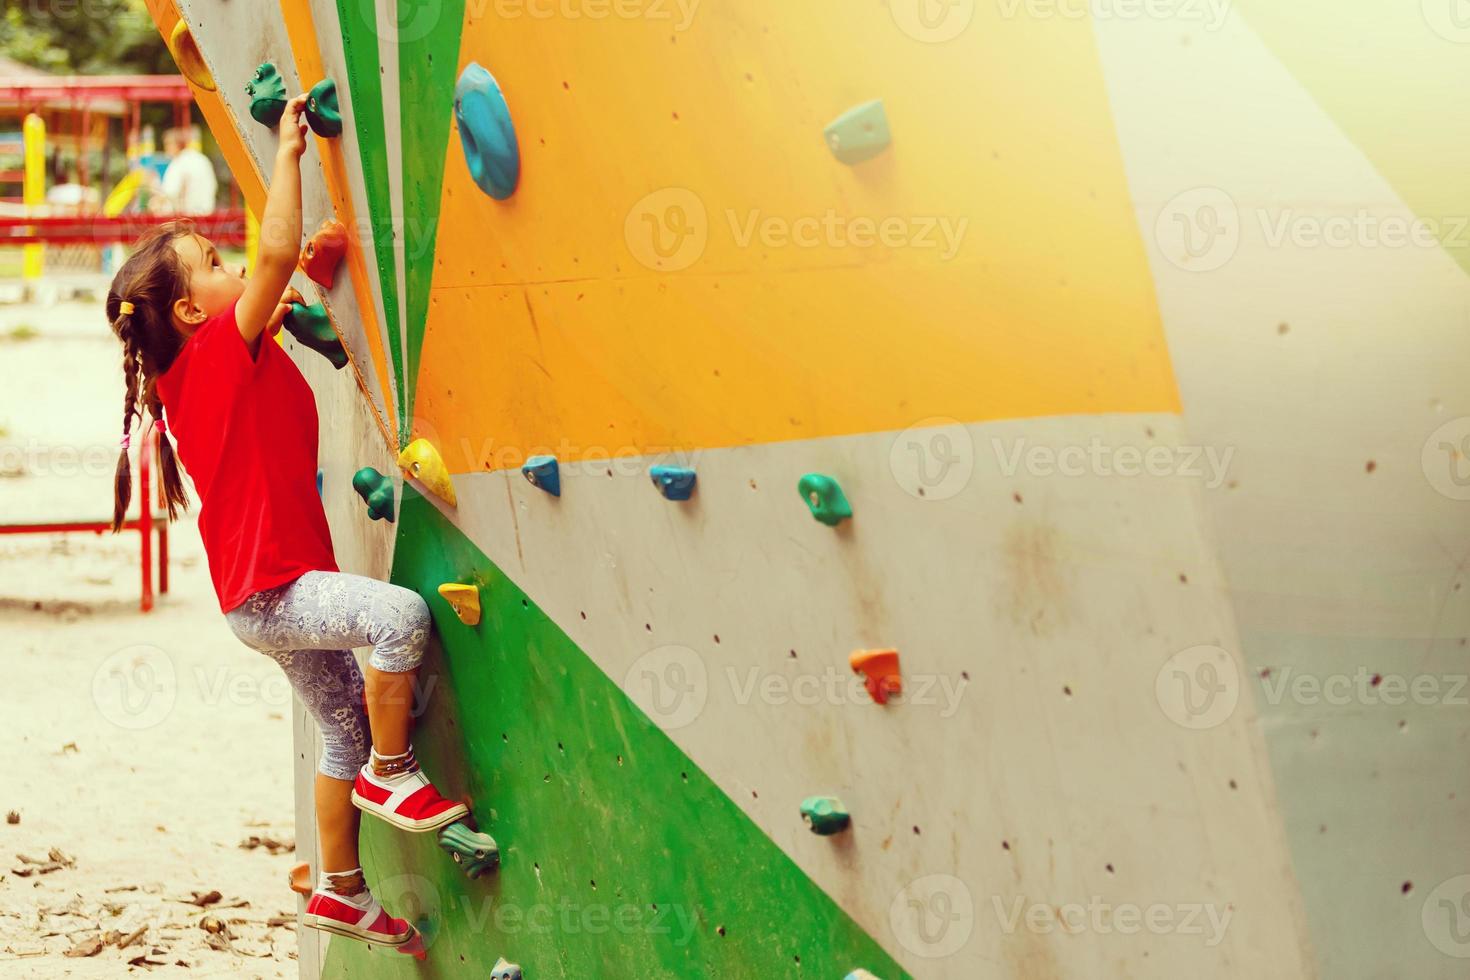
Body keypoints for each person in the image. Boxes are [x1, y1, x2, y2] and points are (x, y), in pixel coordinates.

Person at [104, 94, 466, 949]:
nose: (239, 268)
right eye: (215, 262)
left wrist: (305, 285)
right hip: (277, 594)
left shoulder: (208, 373)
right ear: (193, 315)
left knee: (337, 724)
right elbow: (275, 253)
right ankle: (394, 771)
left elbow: (279, 271)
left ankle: (341, 887)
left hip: (258, 604)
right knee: (397, 617)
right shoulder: (218, 356)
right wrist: (289, 150)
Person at [157, 126, 219, 215]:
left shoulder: (178, 163)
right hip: (207, 214)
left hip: (187, 217)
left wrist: (154, 203)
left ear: (176, 145)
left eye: (167, 144)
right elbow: (213, 185)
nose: (166, 149)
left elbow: (170, 192)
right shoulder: (202, 159)